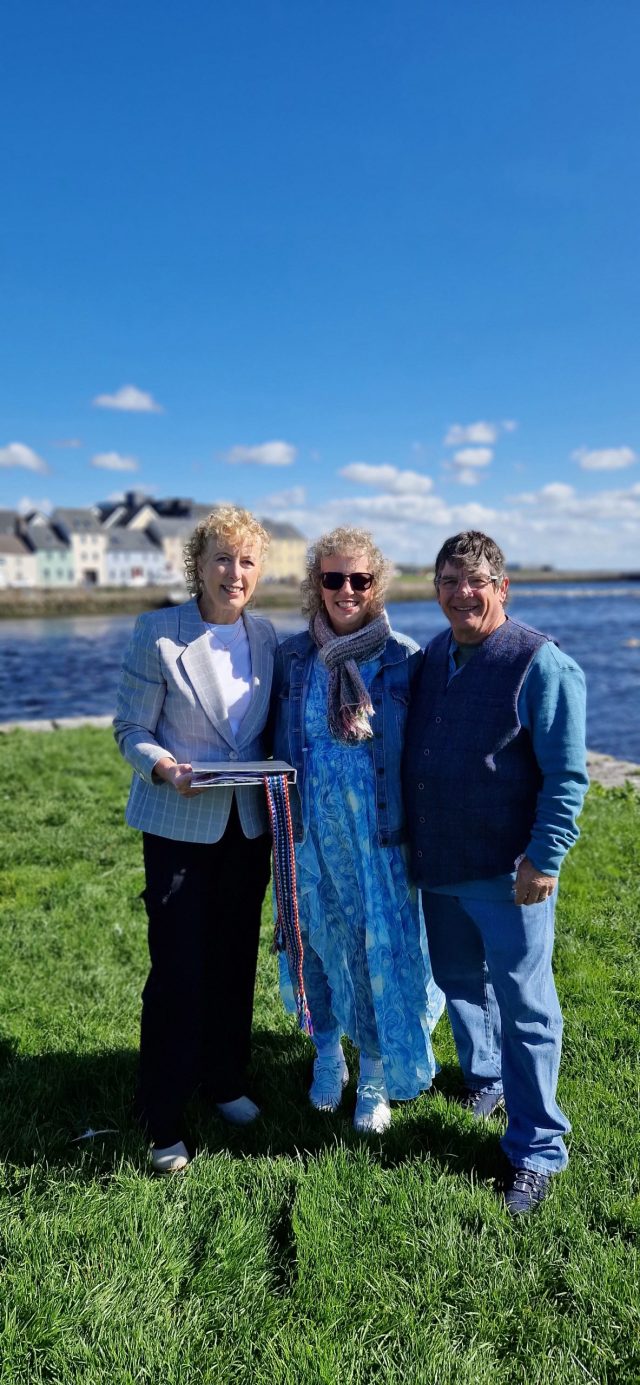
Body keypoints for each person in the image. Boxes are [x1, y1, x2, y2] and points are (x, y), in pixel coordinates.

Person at [403, 530, 588, 1214]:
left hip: (510, 872)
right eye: (449, 581)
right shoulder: (430, 658)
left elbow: (568, 775)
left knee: (527, 1007)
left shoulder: (541, 663)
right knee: (458, 982)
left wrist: (546, 856)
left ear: (503, 588)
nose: (462, 593)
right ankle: (484, 1078)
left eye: (476, 580)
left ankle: (537, 1146)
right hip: (441, 867)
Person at [114, 505, 277, 1174]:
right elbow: (130, 728)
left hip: (247, 827)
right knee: (179, 970)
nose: (232, 572)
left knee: (235, 960)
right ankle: (164, 1112)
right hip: (179, 823)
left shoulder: (267, 637)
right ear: (198, 564)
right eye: (220, 558)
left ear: (257, 571)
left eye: (245, 561)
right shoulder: (158, 632)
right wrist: (163, 765)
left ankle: (226, 1080)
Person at [272, 526, 443, 1134]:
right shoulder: (293, 657)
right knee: (313, 945)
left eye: (359, 579)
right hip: (307, 834)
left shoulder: (403, 656)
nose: (345, 590)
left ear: (376, 586)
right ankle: (326, 1054)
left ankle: (372, 1072)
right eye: (332, 578)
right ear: (315, 584)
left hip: (375, 835)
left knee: (374, 953)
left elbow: (431, 747)